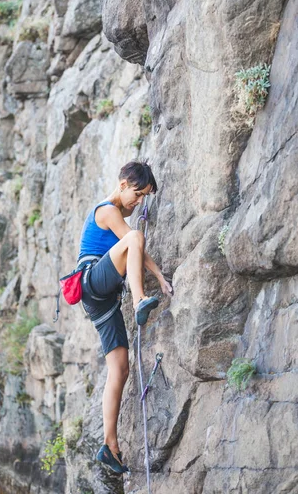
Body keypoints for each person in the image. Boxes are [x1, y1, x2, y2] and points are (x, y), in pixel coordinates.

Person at [77, 161, 173, 473]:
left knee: (120, 368)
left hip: (101, 301)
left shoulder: (121, 210)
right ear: (121, 185)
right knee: (134, 237)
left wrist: (159, 278)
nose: (140, 201)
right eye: (137, 193)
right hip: (92, 281)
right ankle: (139, 299)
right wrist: (155, 280)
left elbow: (134, 246)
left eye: (145, 196)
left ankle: (109, 445)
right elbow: (134, 242)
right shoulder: (107, 210)